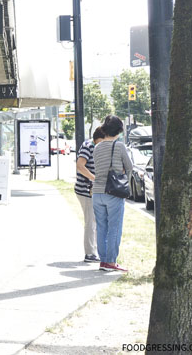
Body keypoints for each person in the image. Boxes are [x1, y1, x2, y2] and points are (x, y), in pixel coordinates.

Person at [92, 115, 133, 272]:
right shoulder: (119, 146)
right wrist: (125, 183)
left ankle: (103, 261)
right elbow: (129, 167)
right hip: (113, 192)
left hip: (97, 192)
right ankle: (111, 262)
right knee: (114, 227)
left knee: (101, 227)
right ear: (119, 130)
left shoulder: (97, 147)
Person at [74, 127, 105, 263]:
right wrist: (94, 178)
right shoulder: (88, 146)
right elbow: (80, 166)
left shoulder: (96, 147)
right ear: (100, 137)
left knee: (95, 221)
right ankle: (90, 253)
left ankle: (95, 250)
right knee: (91, 221)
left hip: (92, 189)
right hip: (86, 190)